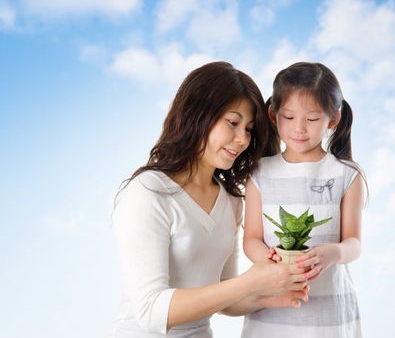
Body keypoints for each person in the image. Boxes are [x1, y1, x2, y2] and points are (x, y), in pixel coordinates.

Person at [109, 62, 320, 338]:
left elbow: (224, 291)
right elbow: (151, 310)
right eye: (233, 123)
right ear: (196, 115)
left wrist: (267, 296)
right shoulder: (148, 192)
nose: (242, 139)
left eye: (249, 129)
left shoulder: (231, 201)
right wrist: (250, 282)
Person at [242, 62, 366, 337]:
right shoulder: (260, 172)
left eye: (311, 119)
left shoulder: (346, 174)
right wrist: (270, 259)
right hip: (271, 310)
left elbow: (354, 243)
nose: (298, 128)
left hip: (330, 316)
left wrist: (333, 253)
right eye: (288, 117)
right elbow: (251, 239)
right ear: (273, 115)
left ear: (332, 119)